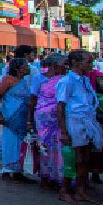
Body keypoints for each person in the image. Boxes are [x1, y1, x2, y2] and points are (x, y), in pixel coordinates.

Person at [57, 50, 103, 205]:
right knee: (75, 158)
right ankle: (64, 190)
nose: (90, 65)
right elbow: (60, 107)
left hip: (86, 120)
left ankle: (80, 190)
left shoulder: (84, 80)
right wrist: (64, 131)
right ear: (76, 63)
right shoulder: (67, 81)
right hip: (75, 121)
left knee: (85, 158)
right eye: (88, 62)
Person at [0, 57, 34, 182]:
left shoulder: (24, 81)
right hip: (10, 117)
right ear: (18, 68)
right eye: (26, 66)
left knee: (21, 144)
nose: (28, 68)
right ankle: (6, 170)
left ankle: (18, 172)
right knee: (9, 143)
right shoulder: (7, 80)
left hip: (22, 117)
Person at [33, 54, 68, 190]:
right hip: (44, 119)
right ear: (55, 66)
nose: (66, 67)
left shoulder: (64, 80)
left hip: (58, 118)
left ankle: (58, 176)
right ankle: (45, 176)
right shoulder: (39, 79)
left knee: (58, 148)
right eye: (63, 65)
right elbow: (32, 99)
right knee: (44, 147)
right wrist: (30, 121)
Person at [85, 64, 103, 185]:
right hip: (97, 115)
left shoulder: (84, 77)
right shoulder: (98, 76)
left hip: (90, 115)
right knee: (99, 144)